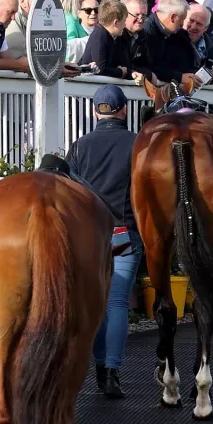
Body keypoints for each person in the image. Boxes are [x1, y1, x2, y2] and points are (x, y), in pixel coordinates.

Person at [65, 84, 140, 399]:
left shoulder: (79, 147)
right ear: (123, 110)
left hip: (88, 235)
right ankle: (111, 372)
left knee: (95, 305)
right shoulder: (137, 144)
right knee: (118, 302)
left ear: (95, 112)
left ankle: (98, 369)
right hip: (123, 231)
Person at [79, 0, 130, 78]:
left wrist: (131, 73)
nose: (124, 25)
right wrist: (120, 72)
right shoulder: (100, 35)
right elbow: (100, 69)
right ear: (115, 22)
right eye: (123, 21)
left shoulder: (112, 37)